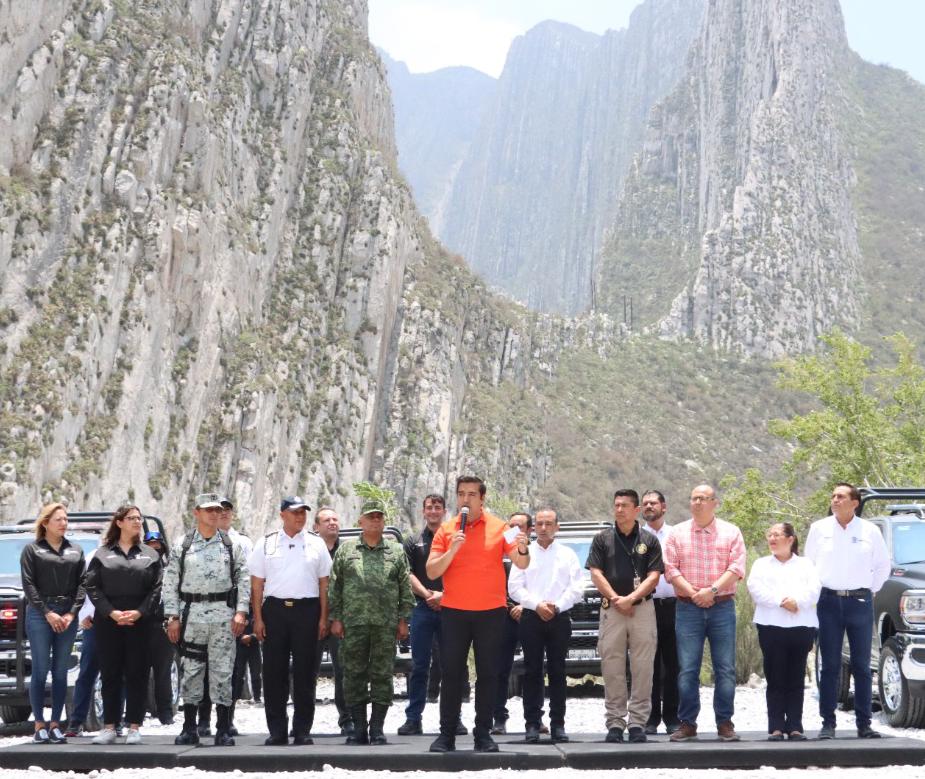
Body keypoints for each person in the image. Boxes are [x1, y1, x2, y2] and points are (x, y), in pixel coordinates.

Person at [425, 475, 530, 753]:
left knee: (488, 674)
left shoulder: (501, 527)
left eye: (472, 494)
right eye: (461, 494)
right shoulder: (447, 530)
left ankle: (483, 734)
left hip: (491, 613)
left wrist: (521, 546)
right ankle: (446, 734)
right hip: (454, 612)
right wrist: (453, 549)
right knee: (451, 674)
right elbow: (432, 571)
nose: (465, 499)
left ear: (482, 498)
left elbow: (522, 561)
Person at [805, 482, 891, 739]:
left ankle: (864, 724)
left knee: (862, 665)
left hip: (860, 603)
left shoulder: (870, 530)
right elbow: (808, 565)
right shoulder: (819, 529)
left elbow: (882, 565)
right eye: (833, 496)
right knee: (830, 665)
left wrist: (869, 590)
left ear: (855, 502)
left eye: (840, 496)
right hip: (828, 602)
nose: (835, 500)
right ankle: (827, 724)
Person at [163, 493, 250, 747]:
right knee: (191, 671)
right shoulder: (184, 544)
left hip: (223, 615)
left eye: (217, 510)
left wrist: (241, 611)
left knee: (223, 672)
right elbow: (170, 582)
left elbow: (243, 579)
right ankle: (190, 727)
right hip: (192, 616)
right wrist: (172, 616)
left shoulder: (231, 544)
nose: (214, 514)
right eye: (208, 510)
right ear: (197, 513)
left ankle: (223, 728)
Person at [664, 484, 747, 743]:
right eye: (694, 498)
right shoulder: (677, 533)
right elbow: (671, 570)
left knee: (725, 668)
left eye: (703, 498)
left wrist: (710, 591)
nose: (697, 502)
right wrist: (694, 593)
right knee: (688, 668)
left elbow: (736, 568)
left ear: (715, 503)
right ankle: (687, 722)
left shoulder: (731, 532)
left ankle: (724, 722)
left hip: (722, 606)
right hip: (687, 608)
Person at [328, 499, 414, 746]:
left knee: (382, 675)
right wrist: (336, 618)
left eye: (379, 517)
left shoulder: (396, 551)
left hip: (385, 625)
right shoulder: (346, 550)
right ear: (360, 522)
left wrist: (403, 620)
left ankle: (376, 728)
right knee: (353, 674)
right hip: (354, 624)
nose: (376, 520)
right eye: (371, 517)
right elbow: (336, 587)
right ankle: (357, 729)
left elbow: (404, 589)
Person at [248, 496, 331, 745]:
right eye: (295, 512)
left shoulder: (316, 544)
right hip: (275, 610)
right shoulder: (266, 543)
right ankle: (277, 731)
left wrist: (323, 617)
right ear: (282, 514)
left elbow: (324, 584)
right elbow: (256, 585)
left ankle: (302, 730)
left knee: (306, 673)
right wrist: (258, 619)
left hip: (308, 610)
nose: (300, 517)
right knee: (274, 673)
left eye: (303, 512)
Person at [587, 489, 662, 743]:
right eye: (616, 505)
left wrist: (631, 598)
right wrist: (617, 599)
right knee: (612, 666)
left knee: (643, 667)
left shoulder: (649, 540)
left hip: (641, 609)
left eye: (625, 505)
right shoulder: (602, 539)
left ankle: (638, 723)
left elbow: (654, 575)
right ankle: (616, 723)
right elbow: (595, 572)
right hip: (612, 609)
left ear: (636, 510)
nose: (619, 509)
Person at [83, 505, 162, 745]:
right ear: (119, 522)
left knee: (137, 673)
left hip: (140, 622)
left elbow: (157, 588)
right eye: (132, 518)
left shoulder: (150, 554)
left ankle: (135, 726)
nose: (138, 522)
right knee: (110, 673)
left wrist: (139, 612)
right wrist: (111, 612)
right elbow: (92, 586)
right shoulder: (102, 554)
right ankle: (109, 726)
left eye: (139, 518)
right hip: (109, 622)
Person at [508, 507, 584, 743]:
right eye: (539, 523)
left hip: (559, 617)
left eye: (548, 523)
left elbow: (577, 588)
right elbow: (514, 587)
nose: (543, 528)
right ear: (533, 528)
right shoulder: (523, 553)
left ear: (557, 527)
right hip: (531, 617)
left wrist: (558, 606)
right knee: (531, 672)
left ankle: (558, 724)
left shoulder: (568, 555)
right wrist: (537, 604)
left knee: (558, 672)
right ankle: (532, 724)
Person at [747, 522, 821, 741]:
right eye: (769, 534)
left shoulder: (806, 564)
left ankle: (795, 726)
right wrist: (781, 601)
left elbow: (815, 588)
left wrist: (797, 601)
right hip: (771, 625)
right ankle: (776, 727)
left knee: (796, 677)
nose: (772, 538)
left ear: (790, 539)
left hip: (801, 625)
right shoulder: (761, 564)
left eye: (777, 534)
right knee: (775, 676)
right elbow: (755, 588)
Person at [20, 503, 86, 744]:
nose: (63, 523)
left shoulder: (76, 551)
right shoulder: (32, 550)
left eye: (66, 519)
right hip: (40, 613)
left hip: (67, 613)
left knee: (60, 671)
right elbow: (28, 585)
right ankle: (39, 724)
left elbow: (82, 586)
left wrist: (70, 614)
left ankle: (56, 723)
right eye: (58, 519)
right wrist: (48, 613)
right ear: (45, 523)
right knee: (40, 669)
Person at [399, 494, 451, 736]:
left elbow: (461, 571)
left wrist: (444, 595)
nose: (433, 511)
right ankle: (413, 719)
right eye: (429, 507)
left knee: (451, 666)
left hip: (451, 607)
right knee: (420, 665)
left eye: (437, 507)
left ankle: (452, 720)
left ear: (444, 511)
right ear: (423, 511)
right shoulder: (413, 541)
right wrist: (428, 595)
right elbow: (407, 573)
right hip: (421, 608)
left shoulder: (453, 539)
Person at [641, 489, 680, 735]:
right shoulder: (636, 537)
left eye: (653, 503)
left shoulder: (677, 535)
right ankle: (650, 718)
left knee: (675, 664)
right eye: (645, 503)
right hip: (646, 606)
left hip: (676, 606)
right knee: (648, 665)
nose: (648, 507)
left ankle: (673, 718)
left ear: (664, 507)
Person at [492, 511, 532, 735]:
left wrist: (526, 606)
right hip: (503, 616)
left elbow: (541, 584)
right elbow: (492, 582)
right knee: (500, 670)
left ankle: (534, 719)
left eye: (519, 526)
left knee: (534, 668)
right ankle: (499, 717)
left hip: (531, 614)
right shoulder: (499, 551)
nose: (514, 530)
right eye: (511, 525)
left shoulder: (536, 552)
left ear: (529, 530)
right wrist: (510, 606)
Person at [312, 506, 351, 736]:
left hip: (339, 622)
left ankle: (347, 720)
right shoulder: (307, 551)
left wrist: (338, 618)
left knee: (343, 672)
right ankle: (302, 721)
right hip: (312, 621)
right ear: (316, 526)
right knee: (307, 672)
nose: (332, 523)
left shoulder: (347, 553)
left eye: (335, 519)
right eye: (327, 520)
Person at [218, 497, 255, 736]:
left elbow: (251, 579)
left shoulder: (243, 542)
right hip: (205, 611)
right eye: (218, 510)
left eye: (227, 510)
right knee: (204, 668)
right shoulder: (194, 542)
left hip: (236, 612)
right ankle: (200, 720)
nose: (222, 514)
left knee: (235, 669)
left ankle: (227, 720)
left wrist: (247, 613)